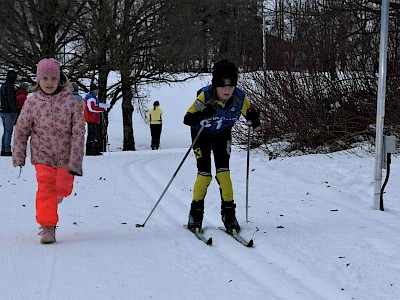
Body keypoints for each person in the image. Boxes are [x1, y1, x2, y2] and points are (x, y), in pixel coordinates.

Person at [12, 58, 85, 244]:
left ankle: (60, 194)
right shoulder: (32, 103)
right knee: (46, 188)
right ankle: (47, 227)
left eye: (53, 78)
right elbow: (21, 130)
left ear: (59, 79)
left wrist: (76, 156)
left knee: (62, 187)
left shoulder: (70, 102)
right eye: (45, 78)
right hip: (42, 155)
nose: (49, 82)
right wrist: (19, 154)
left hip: (66, 156)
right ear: (38, 80)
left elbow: (78, 130)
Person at [183, 60, 260, 233]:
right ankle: (195, 214)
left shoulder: (240, 97)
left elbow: (250, 115)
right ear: (215, 85)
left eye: (231, 86)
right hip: (201, 134)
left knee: (224, 173)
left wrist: (254, 118)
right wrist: (203, 113)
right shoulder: (205, 96)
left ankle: (229, 214)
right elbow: (187, 119)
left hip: (222, 135)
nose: (227, 91)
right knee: (204, 174)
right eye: (222, 87)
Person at [84, 83, 109, 155]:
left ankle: (93, 150)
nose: (98, 91)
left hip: (93, 118)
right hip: (92, 119)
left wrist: (102, 106)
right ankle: (91, 151)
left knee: (94, 134)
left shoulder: (92, 97)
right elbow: (91, 108)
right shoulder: (91, 98)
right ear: (94, 90)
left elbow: (95, 105)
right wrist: (102, 109)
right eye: (97, 90)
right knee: (93, 135)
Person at [0, 70, 18, 156]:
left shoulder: (3, 86)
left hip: (3, 110)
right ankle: (7, 149)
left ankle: (4, 148)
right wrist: (15, 110)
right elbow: (11, 100)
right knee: (9, 131)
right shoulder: (10, 87)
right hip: (9, 112)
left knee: (5, 131)